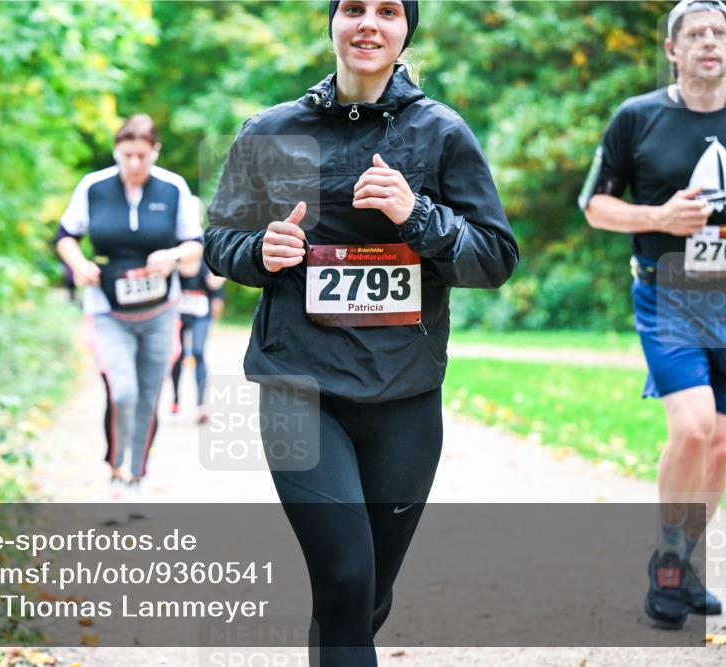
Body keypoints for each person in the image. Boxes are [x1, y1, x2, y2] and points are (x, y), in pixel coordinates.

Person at [204, 2, 517, 664]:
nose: (368, 23)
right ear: (333, 23)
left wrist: (417, 215)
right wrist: (260, 250)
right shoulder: (272, 130)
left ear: (407, 29)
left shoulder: (440, 133)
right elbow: (220, 241)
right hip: (299, 387)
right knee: (345, 577)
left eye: (387, 10)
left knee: (365, 595)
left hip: (404, 397)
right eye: (352, 8)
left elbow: (494, 257)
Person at [580, 0, 726, 630]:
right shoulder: (638, 117)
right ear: (672, 50)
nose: (710, 43)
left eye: (720, 33)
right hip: (670, 294)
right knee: (694, 428)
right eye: (696, 34)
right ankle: (668, 561)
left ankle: (681, 562)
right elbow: (595, 206)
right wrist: (660, 218)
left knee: (721, 444)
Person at [54, 114, 203, 508]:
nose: (134, 163)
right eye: (127, 155)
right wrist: (79, 265)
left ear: (155, 152)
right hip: (108, 309)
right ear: (116, 152)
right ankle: (116, 470)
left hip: (160, 310)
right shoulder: (94, 187)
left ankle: (136, 475)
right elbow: (65, 235)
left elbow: (195, 244)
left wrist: (172, 256)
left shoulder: (173, 188)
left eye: (142, 155)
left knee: (148, 396)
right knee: (123, 391)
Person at [170, 249, 226, 424]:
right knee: (177, 356)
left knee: (198, 352)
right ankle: (175, 401)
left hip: (201, 315)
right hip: (178, 315)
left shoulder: (207, 262)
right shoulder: (174, 258)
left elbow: (217, 294)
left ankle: (201, 405)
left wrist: (214, 322)